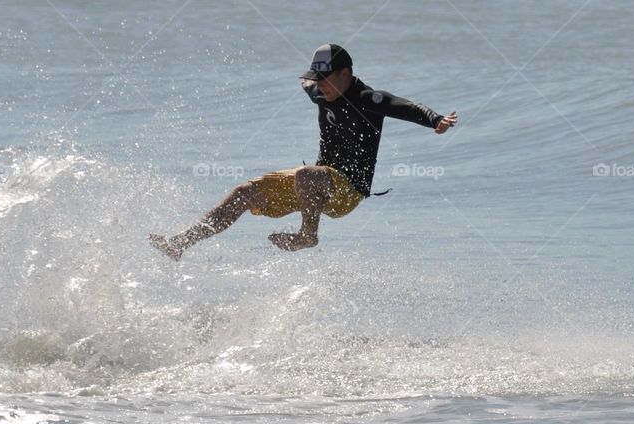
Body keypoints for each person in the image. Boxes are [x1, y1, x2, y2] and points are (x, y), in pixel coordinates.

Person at [149, 44, 457, 261]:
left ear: (346, 74)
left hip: (347, 190)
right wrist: (310, 80)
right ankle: (179, 244)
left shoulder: (367, 98)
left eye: (324, 80)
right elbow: (305, 83)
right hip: (315, 185)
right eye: (316, 79)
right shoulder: (320, 92)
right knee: (244, 192)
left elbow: (402, 105)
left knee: (308, 174)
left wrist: (435, 120)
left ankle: (307, 236)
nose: (318, 86)